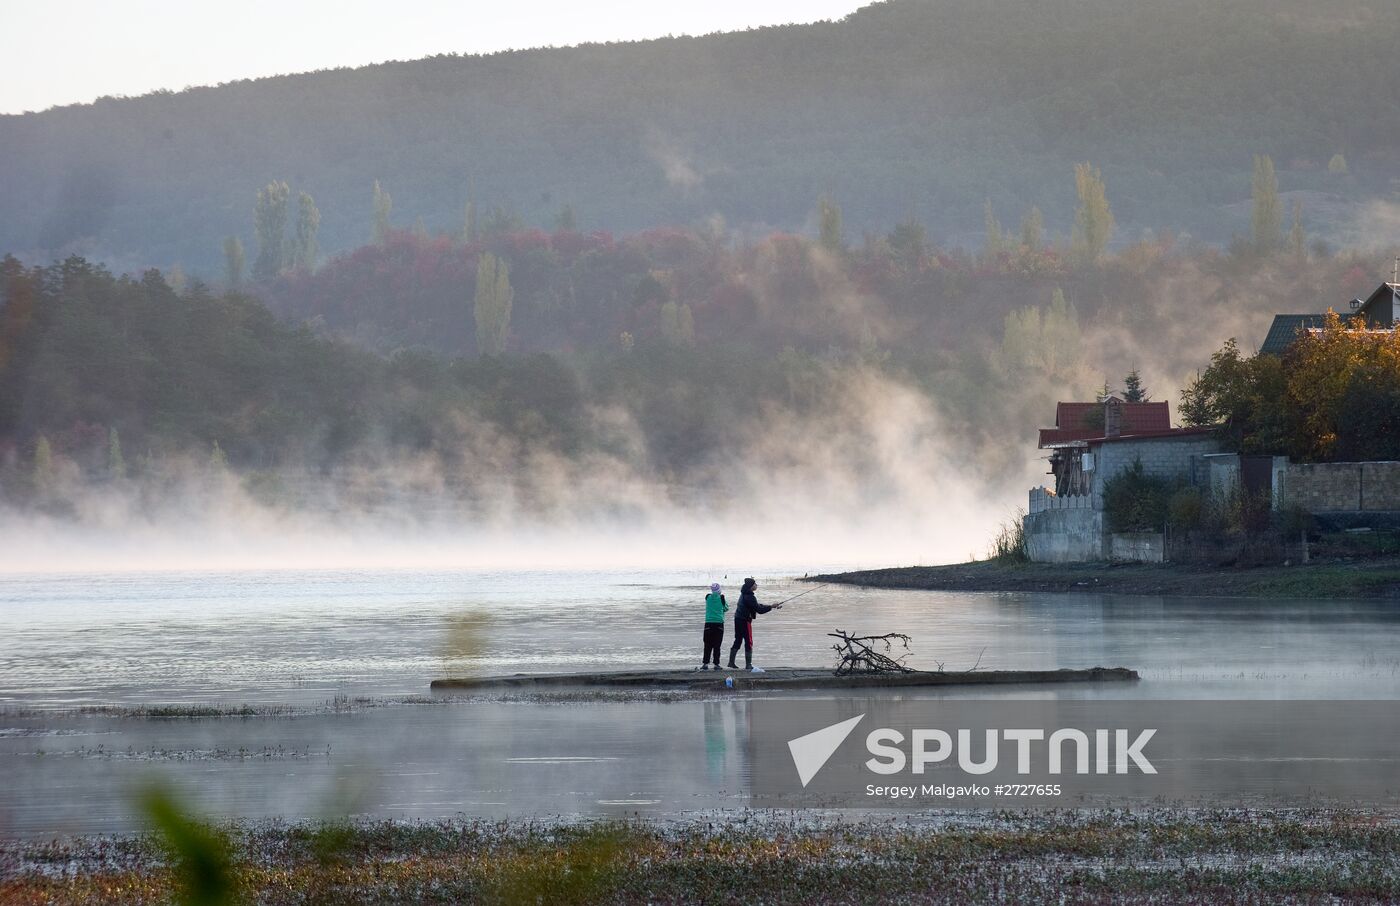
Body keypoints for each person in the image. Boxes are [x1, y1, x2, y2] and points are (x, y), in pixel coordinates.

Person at [728, 577, 781, 672]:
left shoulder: (744, 594)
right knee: (749, 641)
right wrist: (771, 607)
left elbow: (756, 605)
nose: (756, 585)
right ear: (750, 586)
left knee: (738, 640)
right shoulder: (750, 596)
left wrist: (771, 606)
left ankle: (731, 663)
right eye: (755, 584)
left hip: (738, 619)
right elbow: (759, 610)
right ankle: (748, 665)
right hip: (745, 621)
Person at [700, 582, 727, 670]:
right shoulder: (722, 598)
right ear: (719, 590)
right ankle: (716, 664)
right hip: (719, 624)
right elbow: (726, 608)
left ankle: (705, 664)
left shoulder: (707, 597)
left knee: (707, 644)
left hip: (708, 624)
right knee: (717, 645)